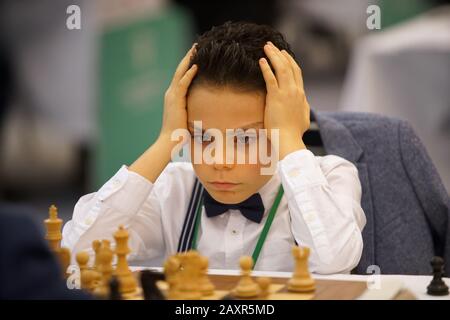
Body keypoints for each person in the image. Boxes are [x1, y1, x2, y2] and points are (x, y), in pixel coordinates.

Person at [63, 22, 366, 274]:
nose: (220, 161)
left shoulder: (332, 175)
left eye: (246, 139)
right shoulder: (174, 188)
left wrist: (289, 137)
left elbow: (332, 261)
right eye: (202, 136)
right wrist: (166, 140)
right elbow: (79, 252)